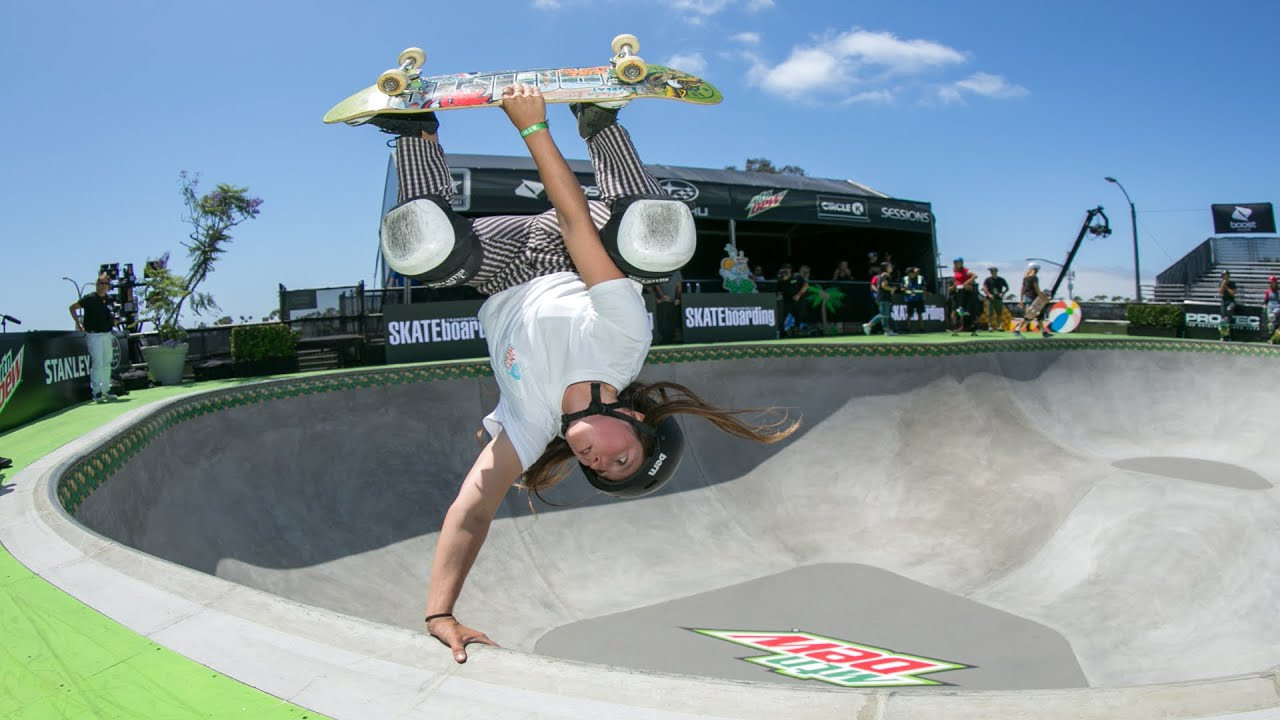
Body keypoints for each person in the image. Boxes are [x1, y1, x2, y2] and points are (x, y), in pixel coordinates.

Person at [366, 89, 800, 663]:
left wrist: (440, 612)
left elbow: (471, 512)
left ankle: (414, 132)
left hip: (503, 265)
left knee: (424, 250)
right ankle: (600, 126)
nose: (599, 463)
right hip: (578, 243)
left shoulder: (529, 424)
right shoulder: (621, 346)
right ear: (637, 419)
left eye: (598, 472)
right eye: (622, 459)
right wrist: (532, 128)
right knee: (656, 236)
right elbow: (574, 225)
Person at [68, 273, 117, 403]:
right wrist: (78, 323)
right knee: (98, 363)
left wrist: (114, 321)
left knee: (107, 362)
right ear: (96, 285)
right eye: (100, 283)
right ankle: (97, 391)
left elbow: (113, 315)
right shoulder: (89, 298)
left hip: (107, 334)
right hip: (94, 334)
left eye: (105, 283)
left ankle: (107, 389)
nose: (102, 286)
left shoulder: (110, 300)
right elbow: (72, 308)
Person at [1013, 262, 1052, 338]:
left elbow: (1022, 290)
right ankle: (1017, 330)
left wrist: (1021, 300)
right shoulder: (1034, 278)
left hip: (1028, 298)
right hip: (1034, 299)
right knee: (1029, 316)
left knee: (1038, 315)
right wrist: (1044, 299)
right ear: (1035, 270)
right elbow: (1037, 290)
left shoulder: (1025, 278)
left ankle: (1044, 332)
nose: (1037, 271)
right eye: (1037, 270)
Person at [862, 262, 900, 336]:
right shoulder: (886, 275)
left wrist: (891, 290)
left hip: (883, 297)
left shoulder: (882, 275)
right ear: (886, 268)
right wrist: (892, 289)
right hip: (883, 298)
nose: (891, 267)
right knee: (884, 314)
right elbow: (884, 286)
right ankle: (868, 325)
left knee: (885, 315)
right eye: (889, 266)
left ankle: (887, 331)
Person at [648, 268, 682, 344]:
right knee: (662, 321)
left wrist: (677, 298)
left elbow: (679, 285)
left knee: (673, 320)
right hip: (662, 301)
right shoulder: (660, 269)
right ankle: (662, 338)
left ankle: (672, 338)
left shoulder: (676, 271)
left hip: (673, 301)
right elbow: (656, 284)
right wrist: (663, 296)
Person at [777, 263, 809, 337]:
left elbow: (806, 286)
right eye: (785, 268)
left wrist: (798, 295)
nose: (787, 269)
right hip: (787, 302)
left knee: (799, 317)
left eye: (788, 268)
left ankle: (797, 332)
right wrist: (779, 297)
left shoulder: (796, 277)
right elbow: (779, 291)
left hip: (797, 301)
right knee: (782, 317)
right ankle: (781, 333)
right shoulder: (780, 279)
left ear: (791, 269)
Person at [950, 258, 979, 336]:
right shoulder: (955, 271)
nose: (956, 264)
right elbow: (956, 281)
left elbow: (975, 275)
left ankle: (973, 328)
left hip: (965, 292)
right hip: (957, 293)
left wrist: (967, 282)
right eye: (955, 262)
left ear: (961, 263)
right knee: (957, 311)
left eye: (958, 262)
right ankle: (956, 329)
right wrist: (954, 286)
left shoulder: (965, 270)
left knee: (968, 311)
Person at [982, 266, 1009, 332]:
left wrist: (1002, 293)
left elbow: (1007, 288)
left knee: (999, 312)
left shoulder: (1001, 279)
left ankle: (999, 326)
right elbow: (984, 288)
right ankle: (990, 326)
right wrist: (989, 294)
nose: (992, 272)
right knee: (990, 313)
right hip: (990, 299)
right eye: (991, 271)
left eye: (993, 271)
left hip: (998, 298)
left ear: (996, 271)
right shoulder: (987, 280)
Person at [902, 266, 927, 333]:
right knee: (909, 314)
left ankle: (922, 329)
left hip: (919, 298)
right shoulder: (905, 279)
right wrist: (904, 288)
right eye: (908, 274)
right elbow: (902, 288)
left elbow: (924, 287)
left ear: (913, 273)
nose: (910, 275)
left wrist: (924, 296)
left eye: (911, 274)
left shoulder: (921, 278)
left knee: (920, 313)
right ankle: (908, 329)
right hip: (909, 299)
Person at [1218, 270, 1238, 341]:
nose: (1225, 277)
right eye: (1224, 275)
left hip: (1231, 302)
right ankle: (1223, 336)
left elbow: (1233, 293)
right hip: (1224, 302)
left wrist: (1227, 288)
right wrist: (1223, 285)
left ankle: (1230, 336)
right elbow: (1220, 292)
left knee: (1229, 311)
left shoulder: (1232, 283)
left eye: (1226, 275)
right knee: (1223, 320)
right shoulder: (1221, 283)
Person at [1264, 276, 1280, 344]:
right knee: (1271, 325)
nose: (1271, 284)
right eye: (1270, 282)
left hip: (1277, 306)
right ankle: (1273, 339)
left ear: (1276, 283)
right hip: (1270, 306)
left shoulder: (1279, 292)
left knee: (1272, 316)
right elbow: (1266, 301)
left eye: (1273, 282)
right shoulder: (1268, 291)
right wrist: (1264, 305)